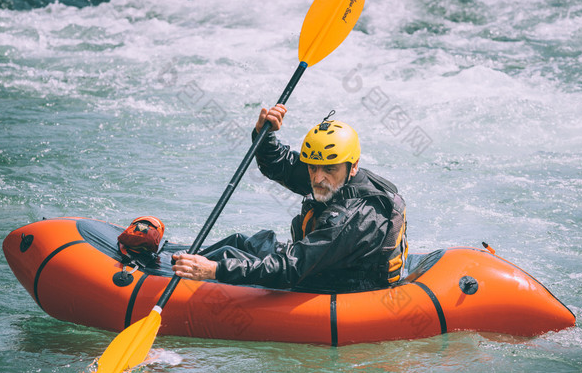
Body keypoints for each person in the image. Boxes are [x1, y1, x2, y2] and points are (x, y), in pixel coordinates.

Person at [172, 105, 408, 293]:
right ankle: (182, 268)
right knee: (237, 242)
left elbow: (291, 268)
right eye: (312, 167)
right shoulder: (334, 176)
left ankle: (184, 282)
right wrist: (265, 134)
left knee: (228, 257)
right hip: (323, 262)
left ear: (353, 166)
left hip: (341, 285)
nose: (317, 178)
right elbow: (281, 165)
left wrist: (215, 270)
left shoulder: (353, 217)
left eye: (328, 169)